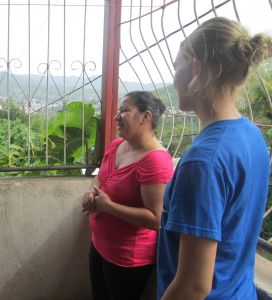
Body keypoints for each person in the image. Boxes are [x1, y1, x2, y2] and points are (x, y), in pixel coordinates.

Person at [157, 17, 272, 299]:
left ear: (195, 67)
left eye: (176, 66)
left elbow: (194, 285)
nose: (173, 79)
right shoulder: (251, 135)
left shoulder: (203, 161)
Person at [81, 91, 174, 300]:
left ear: (146, 117)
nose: (116, 117)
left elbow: (156, 219)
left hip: (127, 259)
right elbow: (101, 179)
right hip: (100, 244)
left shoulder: (156, 162)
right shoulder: (117, 145)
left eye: (124, 111)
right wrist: (91, 192)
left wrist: (108, 207)